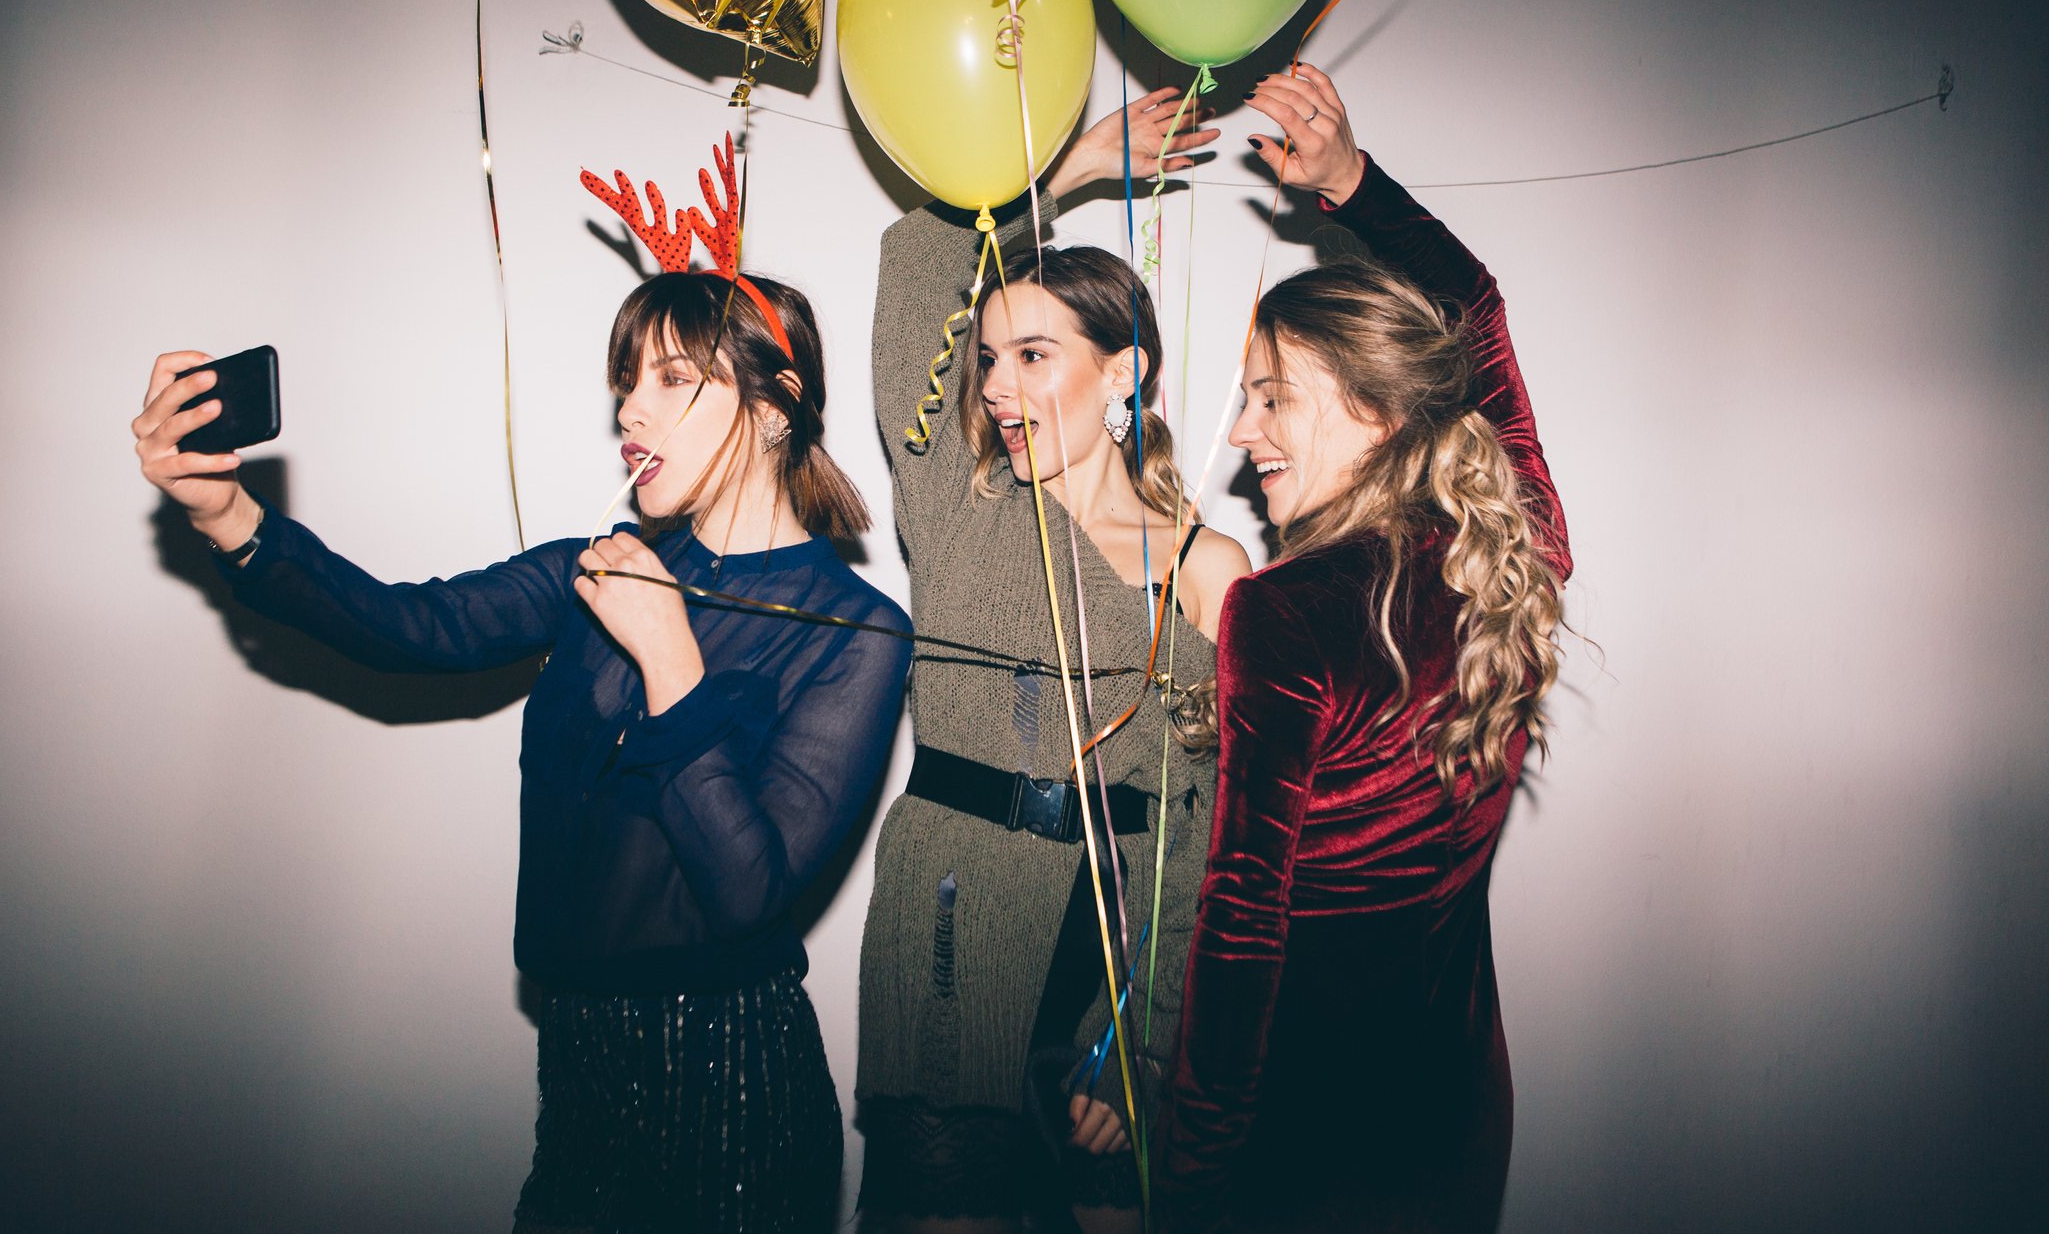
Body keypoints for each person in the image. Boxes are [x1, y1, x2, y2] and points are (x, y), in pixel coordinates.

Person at [131, 226, 911, 1234]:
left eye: (671, 378)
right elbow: (401, 627)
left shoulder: (857, 631)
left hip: (730, 1072)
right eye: (627, 380)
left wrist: (673, 658)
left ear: (773, 405)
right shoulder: (589, 569)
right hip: (578, 1055)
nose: (629, 408)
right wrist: (226, 512)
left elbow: (747, 891)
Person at [1161, 68, 1573, 1232]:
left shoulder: (1286, 609)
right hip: (1455, 1118)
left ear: (1378, 413)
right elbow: (1475, 311)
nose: (1239, 433)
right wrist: (1351, 183)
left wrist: (1186, 1185)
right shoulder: (1504, 560)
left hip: (1307, 1142)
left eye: (1270, 398)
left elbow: (1240, 933)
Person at [855, 91, 1251, 1233]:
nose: (994, 387)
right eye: (988, 359)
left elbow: (1215, 835)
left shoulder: (1209, 570)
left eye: (1033, 354)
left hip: (1114, 983)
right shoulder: (958, 503)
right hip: (949, 944)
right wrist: (1064, 172)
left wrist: (1152, 1040)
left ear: (1126, 374)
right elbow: (919, 255)